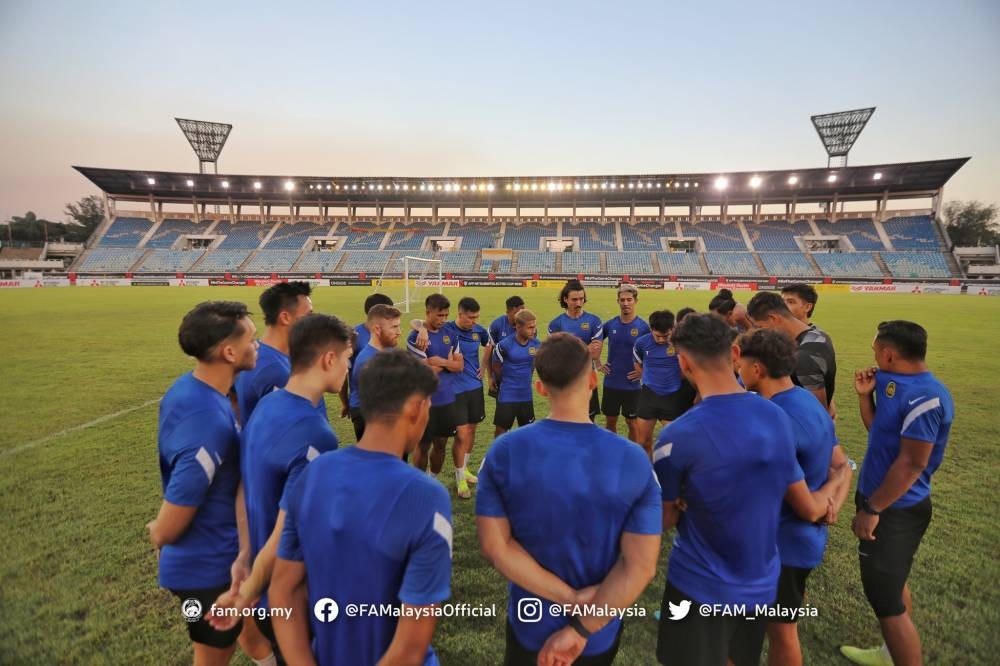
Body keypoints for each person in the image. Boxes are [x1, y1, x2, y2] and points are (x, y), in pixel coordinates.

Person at [477, 333, 661, 666]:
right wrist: (581, 627)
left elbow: (495, 547)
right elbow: (642, 566)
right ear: (593, 380)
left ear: (541, 388)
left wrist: (568, 599)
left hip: (530, 623)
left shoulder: (503, 452)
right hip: (597, 631)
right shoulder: (633, 458)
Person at [652, 314, 826, 666]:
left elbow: (664, 517)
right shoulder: (776, 415)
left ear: (683, 361)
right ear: (735, 352)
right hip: (761, 581)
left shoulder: (677, 436)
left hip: (699, 585)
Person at [270, 350, 452, 665]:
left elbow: (283, 592)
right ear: (415, 408)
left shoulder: (315, 473)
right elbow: (410, 649)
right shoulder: (425, 495)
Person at [209, 314, 354, 654]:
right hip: (293, 598)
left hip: (265, 592)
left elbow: (245, 485)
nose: (349, 368)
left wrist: (245, 555)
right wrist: (244, 594)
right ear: (329, 359)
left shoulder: (267, 405)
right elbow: (286, 531)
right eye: (347, 359)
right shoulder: (316, 434)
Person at [146, 301, 272, 666]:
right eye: (251, 338)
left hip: (215, 557)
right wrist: (158, 531)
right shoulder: (208, 424)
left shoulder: (189, 389)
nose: (258, 344)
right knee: (214, 654)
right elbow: (170, 523)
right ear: (229, 352)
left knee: (245, 629)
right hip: (204, 569)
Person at [839, 321, 954, 666]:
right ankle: (889, 653)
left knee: (885, 598)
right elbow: (879, 432)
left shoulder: (926, 398)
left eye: (876, 351)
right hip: (880, 499)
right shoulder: (892, 381)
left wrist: (873, 508)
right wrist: (864, 396)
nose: (873, 357)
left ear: (889, 354)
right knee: (892, 583)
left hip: (896, 508)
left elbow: (911, 464)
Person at [736, 329, 852, 666]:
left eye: (741, 364)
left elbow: (807, 503)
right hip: (801, 541)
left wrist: (822, 506)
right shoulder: (806, 400)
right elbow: (840, 466)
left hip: (781, 546)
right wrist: (833, 503)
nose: (738, 371)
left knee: (780, 632)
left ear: (756, 368)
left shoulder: (777, 419)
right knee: (780, 627)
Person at [234, 282, 315, 427]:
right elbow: (285, 430)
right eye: (308, 314)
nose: (313, 321)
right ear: (285, 317)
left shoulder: (253, 353)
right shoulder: (274, 370)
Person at [746, 291, 837, 418]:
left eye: (759, 327)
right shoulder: (818, 334)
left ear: (773, 319)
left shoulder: (805, 356)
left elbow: (817, 412)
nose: (758, 333)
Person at [407, 294, 463, 478]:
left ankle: (433, 480)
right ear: (428, 312)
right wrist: (447, 363)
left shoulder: (451, 334)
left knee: (441, 444)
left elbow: (459, 366)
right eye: (439, 315)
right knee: (422, 446)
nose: (443, 320)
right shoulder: (415, 336)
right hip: (424, 401)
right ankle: (419, 481)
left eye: (446, 315)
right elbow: (424, 373)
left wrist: (438, 361)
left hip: (446, 400)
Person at [444, 297, 491, 499]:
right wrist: (419, 328)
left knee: (472, 430)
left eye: (476, 318)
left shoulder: (479, 331)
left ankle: (465, 470)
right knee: (461, 435)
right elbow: (419, 324)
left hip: (475, 387)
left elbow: (489, 344)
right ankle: (459, 477)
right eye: (470, 318)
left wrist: (484, 365)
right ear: (460, 313)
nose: (474, 321)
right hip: (454, 390)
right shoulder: (446, 329)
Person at [632, 311, 695, 459]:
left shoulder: (681, 344)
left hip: (673, 398)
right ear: (651, 329)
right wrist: (649, 379)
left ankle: (670, 476)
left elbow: (689, 367)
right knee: (642, 441)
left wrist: (672, 379)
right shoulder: (641, 343)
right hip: (649, 397)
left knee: (675, 443)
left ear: (672, 329)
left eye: (665, 336)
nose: (661, 340)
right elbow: (638, 364)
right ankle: (649, 474)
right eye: (657, 336)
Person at [599, 284, 649, 442]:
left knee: (632, 423)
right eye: (622, 300)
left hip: (632, 385)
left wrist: (643, 371)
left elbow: (652, 352)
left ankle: (630, 454)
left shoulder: (643, 327)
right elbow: (594, 342)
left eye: (629, 299)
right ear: (618, 301)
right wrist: (598, 363)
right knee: (610, 421)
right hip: (611, 382)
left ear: (636, 301)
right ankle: (613, 452)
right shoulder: (610, 325)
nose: (626, 303)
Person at [548, 279, 604, 419]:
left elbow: (595, 354)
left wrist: (567, 349)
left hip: (587, 379)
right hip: (565, 380)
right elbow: (554, 356)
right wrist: (586, 348)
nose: (578, 303)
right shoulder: (555, 324)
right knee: (565, 421)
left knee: (589, 421)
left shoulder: (594, 321)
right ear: (565, 299)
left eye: (581, 299)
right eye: (574, 299)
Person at [348, 304, 402, 440]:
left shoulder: (387, 349)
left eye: (398, 326)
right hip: (371, 418)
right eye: (394, 327)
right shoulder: (369, 361)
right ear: (377, 330)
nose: (399, 332)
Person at [339, 293, 393, 420]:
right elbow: (342, 372)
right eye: (389, 312)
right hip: (362, 406)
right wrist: (345, 403)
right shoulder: (354, 336)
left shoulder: (390, 332)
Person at [491, 309, 542, 436]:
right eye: (530, 327)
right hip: (507, 395)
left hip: (526, 395)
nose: (533, 330)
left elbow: (534, 365)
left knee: (528, 432)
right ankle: (499, 455)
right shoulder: (504, 345)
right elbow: (496, 367)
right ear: (518, 327)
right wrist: (509, 380)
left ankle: (524, 456)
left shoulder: (536, 344)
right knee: (501, 432)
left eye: (534, 327)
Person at [487, 295, 527, 398]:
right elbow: (489, 352)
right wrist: (490, 377)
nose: (519, 316)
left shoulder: (528, 327)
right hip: (501, 377)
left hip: (521, 377)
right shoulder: (496, 325)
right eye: (516, 313)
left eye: (522, 313)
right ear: (508, 312)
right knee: (503, 410)